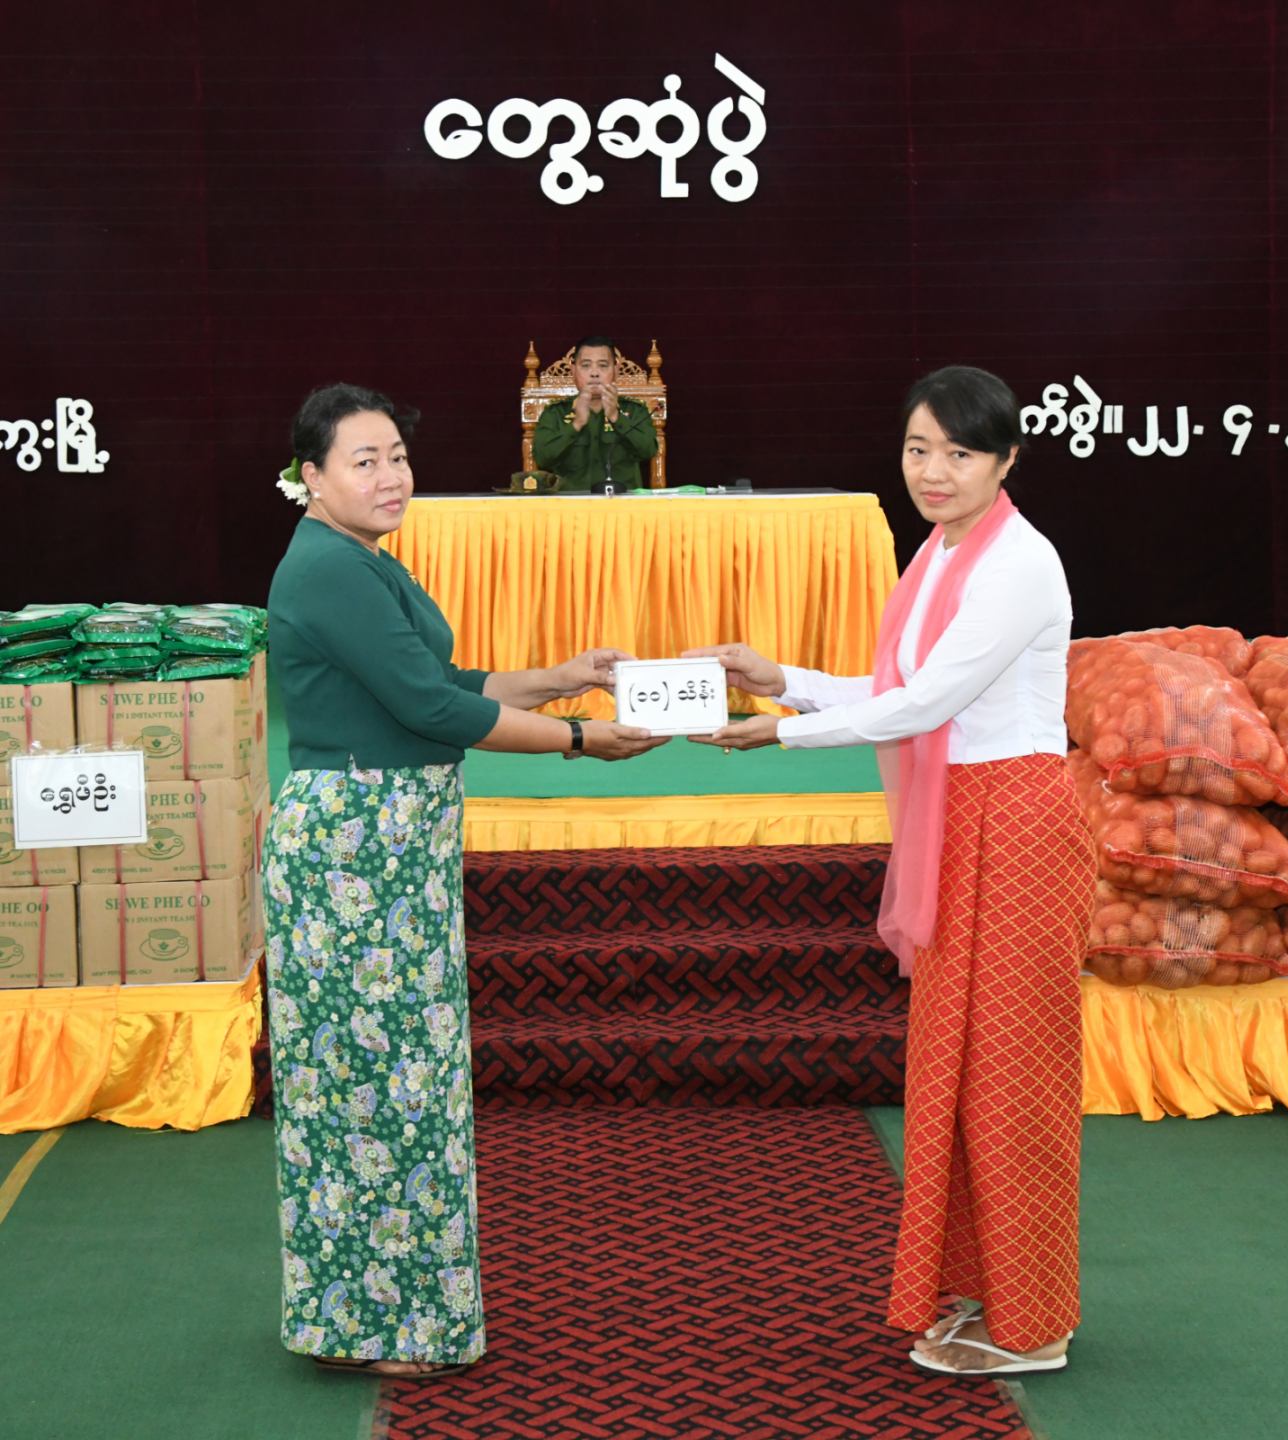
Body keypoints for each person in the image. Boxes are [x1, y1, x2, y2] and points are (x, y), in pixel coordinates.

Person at [685, 366, 1095, 1376]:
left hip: (1017, 825)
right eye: (919, 449)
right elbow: (894, 687)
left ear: (1006, 459)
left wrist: (776, 734)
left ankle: (1037, 1324)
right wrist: (782, 682)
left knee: (1013, 1076)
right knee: (957, 1070)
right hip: (962, 817)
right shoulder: (940, 553)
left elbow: (923, 705)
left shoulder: (1019, 563)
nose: (933, 471)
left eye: (960, 452)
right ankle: (993, 1296)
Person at [264, 382, 665, 1379]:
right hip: (355, 858)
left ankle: (373, 1316)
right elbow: (434, 711)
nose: (390, 476)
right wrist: (581, 740)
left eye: (397, 456)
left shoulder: (358, 558)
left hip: (387, 852)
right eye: (364, 460)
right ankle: (383, 1325)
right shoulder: (329, 568)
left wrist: (565, 677)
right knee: (380, 1092)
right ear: (312, 476)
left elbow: (446, 684)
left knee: (391, 1084)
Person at [532, 335, 658, 490]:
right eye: (586, 365)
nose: (594, 373)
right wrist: (576, 424)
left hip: (622, 502)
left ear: (616, 370)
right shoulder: (555, 413)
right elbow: (542, 458)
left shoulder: (634, 411)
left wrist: (616, 417)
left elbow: (648, 451)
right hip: (570, 502)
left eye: (603, 365)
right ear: (573, 371)